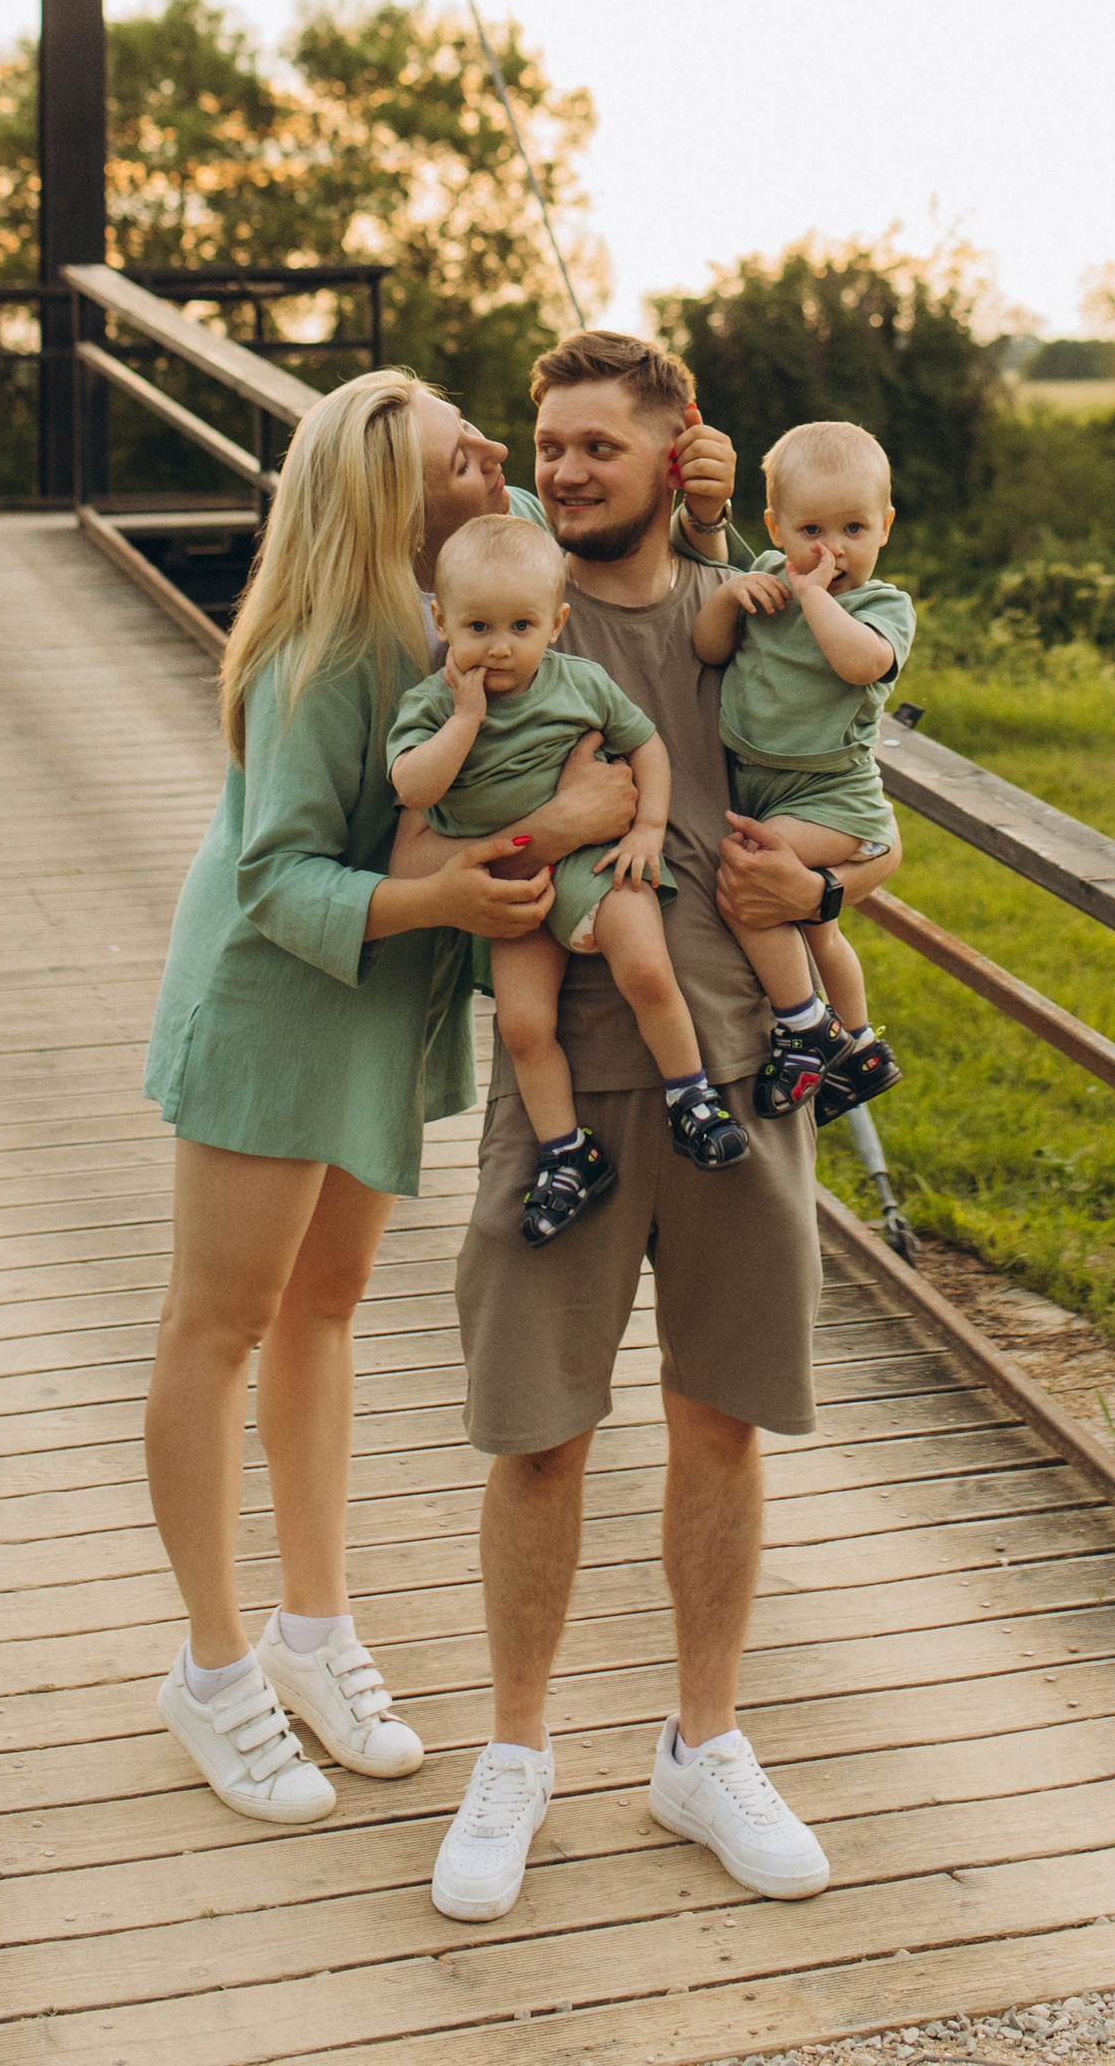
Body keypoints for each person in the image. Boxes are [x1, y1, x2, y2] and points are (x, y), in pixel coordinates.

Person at [431, 331, 903, 1928]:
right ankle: (514, 1754)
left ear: (679, 449)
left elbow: (858, 772)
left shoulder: (750, 599)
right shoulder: (504, 621)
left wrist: (827, 890)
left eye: (598, 446)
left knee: (720, 1413)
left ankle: (704, 1744)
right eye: (545, 443)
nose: (563, 468)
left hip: (747, 1069)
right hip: (564, 1069)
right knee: (540, 1427)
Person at [139, 371, 641, 1827]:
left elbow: (606, 533)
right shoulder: (316, 650)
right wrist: (507, 858)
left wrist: (705, 476)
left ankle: (314, 1628)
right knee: (219, 1322)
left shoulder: (471, 590)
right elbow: (275, 874)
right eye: (467, 455)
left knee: (326, 1309)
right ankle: (215, 1668)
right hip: (277, 1003)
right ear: (397, 500)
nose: (503, 461)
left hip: (374, 1006)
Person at [387, 509, 749, 1240]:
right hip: (516, 892)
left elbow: (646, 744)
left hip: (596, 861)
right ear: (441, 621)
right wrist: (463, 721)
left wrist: (648, 827)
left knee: (647, 967)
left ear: (555, 624)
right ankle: (567, 1153)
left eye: (521, 627)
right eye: (477, 628)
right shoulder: (432, 705)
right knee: (523, 1027)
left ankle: (692, 1097)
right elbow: (413, 789)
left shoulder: (579, 683)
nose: (498, 648)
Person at [692, 418, 912, 1120]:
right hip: (762, 782)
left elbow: (862, 664)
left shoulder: (880, 606)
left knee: (750, 879)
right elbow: (708, 651)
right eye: (811, 530)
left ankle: (802, 1026)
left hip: (831, 797)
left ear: (884, 527)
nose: (832, 550)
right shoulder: (762, 581)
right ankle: (861, 1045)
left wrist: (814, 595)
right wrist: (727, 599)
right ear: (775, 529)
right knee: (817, 927)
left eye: (853, 529)